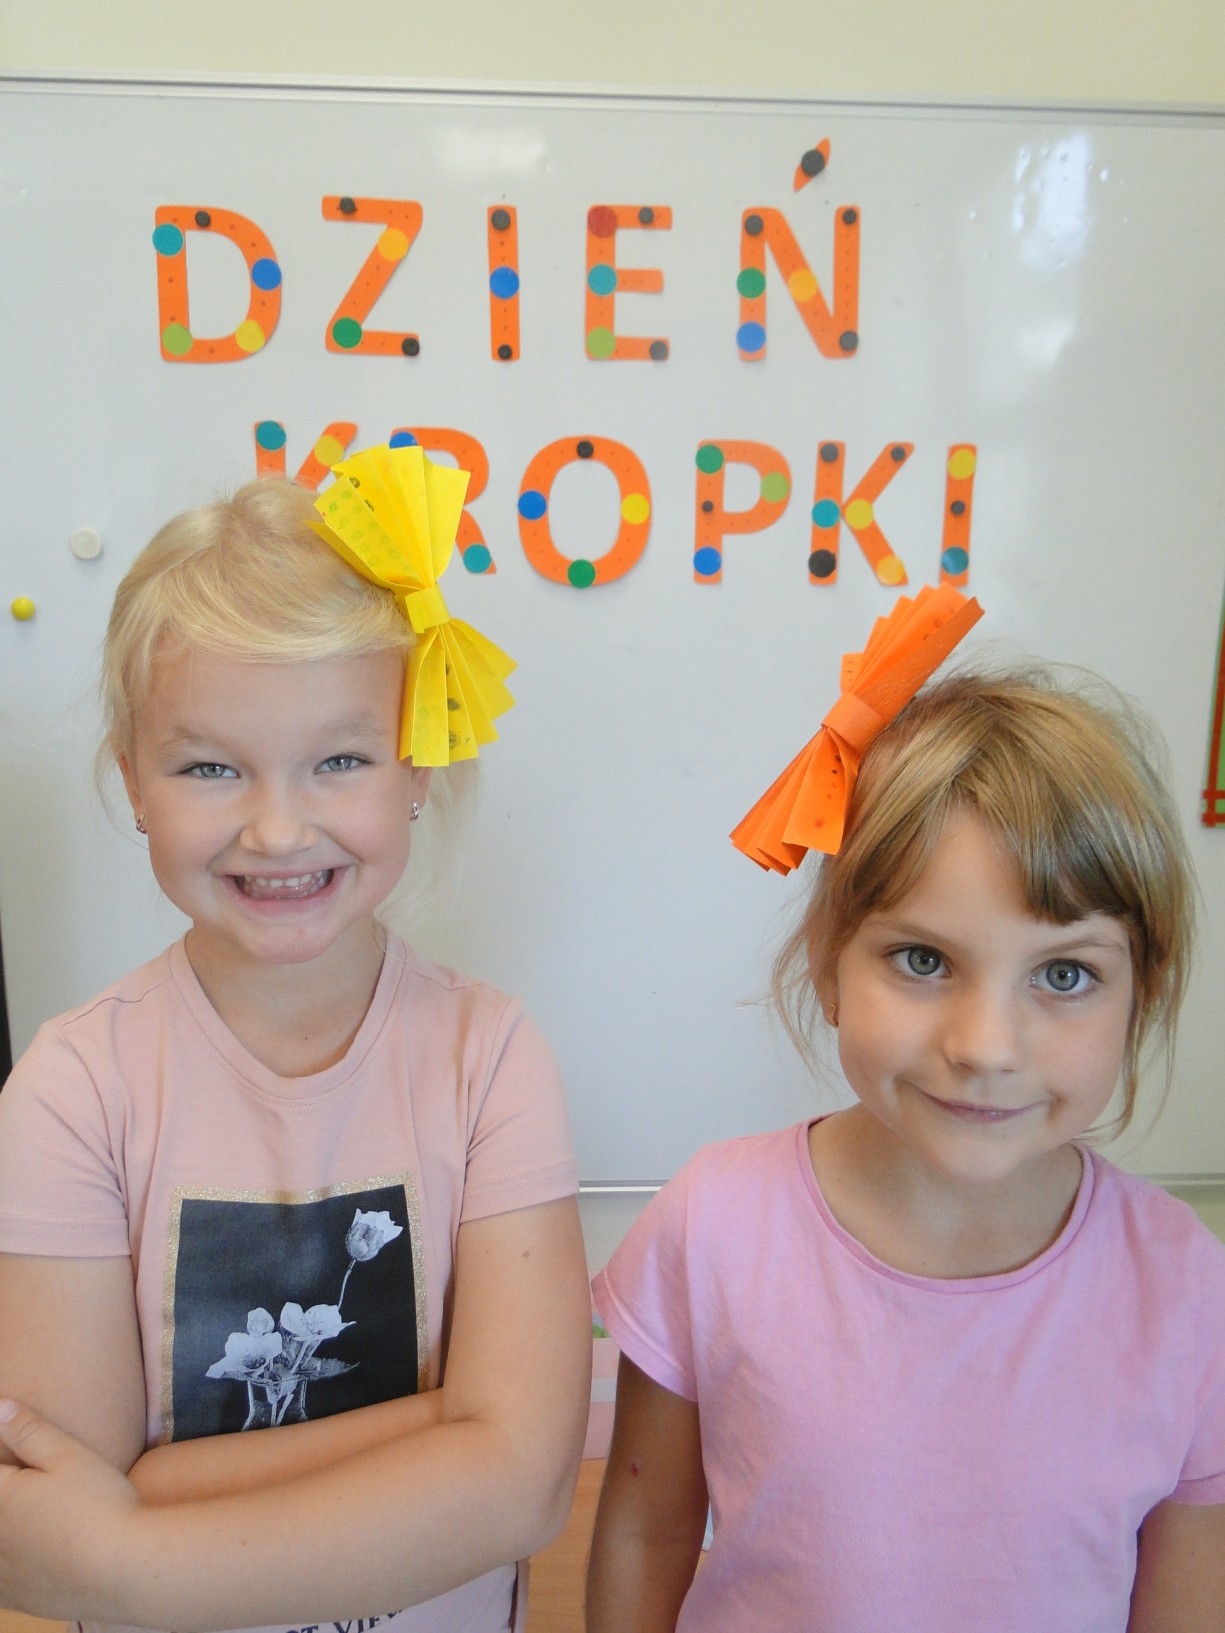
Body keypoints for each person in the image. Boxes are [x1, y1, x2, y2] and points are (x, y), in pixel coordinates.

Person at [0, 443, 591, 1633]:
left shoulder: (490, 1058)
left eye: (339, 759)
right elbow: (58, 1510)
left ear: (415, 766)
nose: (277, 829)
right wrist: (450, 1429)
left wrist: (134, 1550)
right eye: (210, 766)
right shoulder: (70, 1089)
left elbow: (526, 1484)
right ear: (134, 780)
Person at [587, 586, 1225, 1632]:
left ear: (1139, 995)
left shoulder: (1188, 1289)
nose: (984, 1045)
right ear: (828, 961)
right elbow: (647, 1534)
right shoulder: (711, 1226)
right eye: (923, 959)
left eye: (1063, 975)